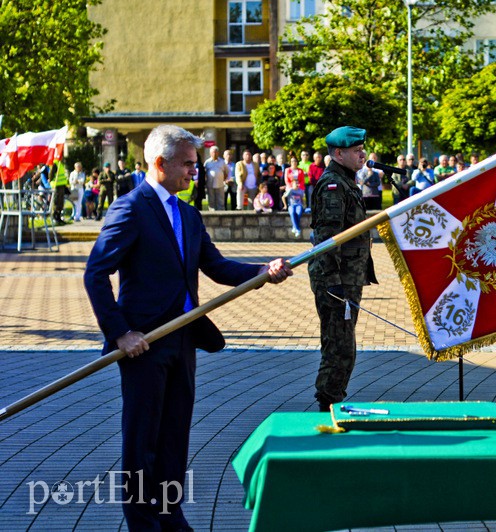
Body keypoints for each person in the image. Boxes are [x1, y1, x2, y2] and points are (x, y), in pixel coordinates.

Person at [84, 125, 292, 531]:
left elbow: (216, 267)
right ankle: (143, 521)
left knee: (175, 436)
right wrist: (120, 332)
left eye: (196, 165)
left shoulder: (188, 214)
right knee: (142, 440)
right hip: (144, 344)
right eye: (188, 165)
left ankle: (169, 513)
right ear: (160, 163)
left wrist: (263, 271)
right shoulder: (131, 208)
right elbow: (96, 274)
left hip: (183, 340)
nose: (194, 173)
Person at [308, 126, 378, 412]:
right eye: (356, 151)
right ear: (338, 154)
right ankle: (327, 405)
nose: (363, 154)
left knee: (341, 345)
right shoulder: (333, 187)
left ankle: (330, 400)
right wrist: (334, 283)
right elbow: (327, 240)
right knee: (340, 347)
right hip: (336, 280)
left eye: (362, 149)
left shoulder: (346, 181)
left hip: (348, 278)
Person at [204, 146, 228, 211]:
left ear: (218, 153)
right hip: (210, 184)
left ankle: (221, 212)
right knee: (211, 199)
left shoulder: (222, 162)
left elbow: (226, 172)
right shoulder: (207, 162)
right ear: (210, 153)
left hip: (220, 184)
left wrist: (223, 179)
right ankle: (212, 212)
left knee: (220, 199)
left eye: (216, 152)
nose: (215, 154)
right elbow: (204, 173)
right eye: (213, 152)